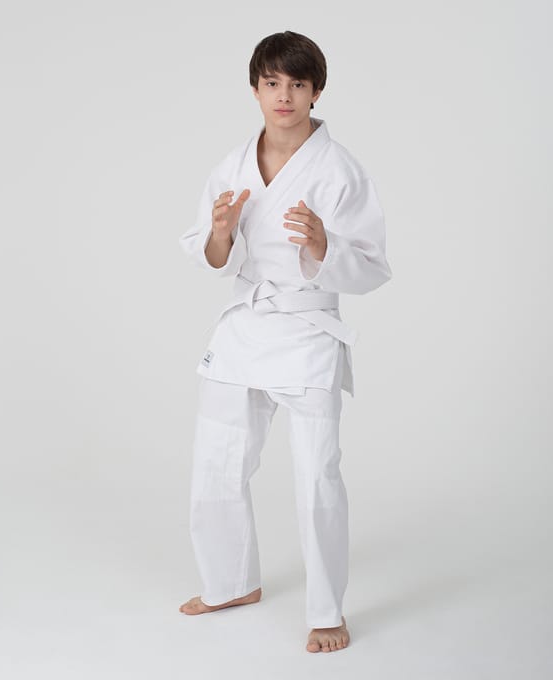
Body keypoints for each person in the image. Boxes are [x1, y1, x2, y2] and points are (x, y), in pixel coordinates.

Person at [178, 30, 392, 653]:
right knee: (216, 462)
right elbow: (213, 257)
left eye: (298, 84)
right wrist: (220, 232)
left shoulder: (340, 169)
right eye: (272, 82)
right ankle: (230, 583)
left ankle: (326, 612)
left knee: (316, 475)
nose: (284, 95)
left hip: (306, 331)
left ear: (316, 91)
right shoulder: (233, 164)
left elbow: (373, 267)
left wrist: (325, 245)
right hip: (244, 325)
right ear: (255, 89)